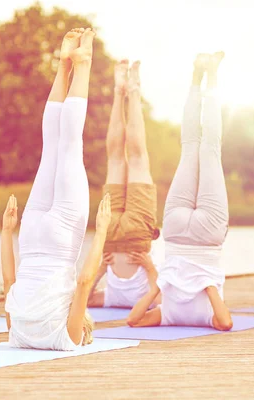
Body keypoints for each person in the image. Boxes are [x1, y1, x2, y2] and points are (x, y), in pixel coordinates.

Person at [1, 28, 113, 351]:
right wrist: (7, 232)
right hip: (30, 236)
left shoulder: (67, 338)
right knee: (50, 147)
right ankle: (64, 64)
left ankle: (83, 62)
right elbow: (9, 282)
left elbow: (83, 281)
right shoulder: (16, 333)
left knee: (68, 145)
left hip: (60, 241)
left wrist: (101, 230)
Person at [126, 53, 233, 331]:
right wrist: (205, 283)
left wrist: (159, 286)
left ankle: (204, 76)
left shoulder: (168, 316)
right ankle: (204, 76)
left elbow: (133, 321)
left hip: (183, 237)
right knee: (198, 146)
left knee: (202, 146)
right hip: (193, 237)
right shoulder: (177, 316)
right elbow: (225, 323)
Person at [87, 59, 161, 309]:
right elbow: (164, 299)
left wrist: (101, 270)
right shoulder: (123, 300)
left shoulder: (112, 299)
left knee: (131, 159)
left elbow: (83, 300)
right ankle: (126, 91)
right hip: (125, 238)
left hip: (121, 238)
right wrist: (149, 267)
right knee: (120, 159)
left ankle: (127, 91)